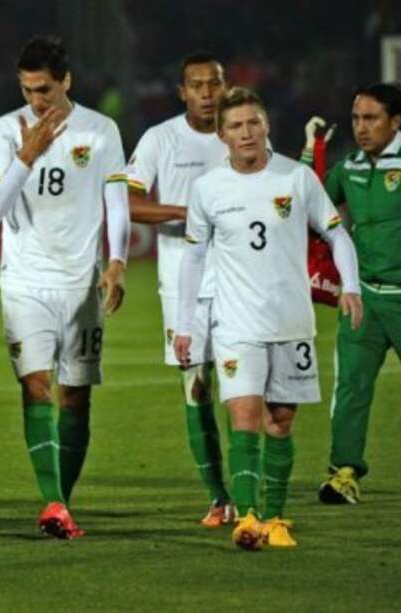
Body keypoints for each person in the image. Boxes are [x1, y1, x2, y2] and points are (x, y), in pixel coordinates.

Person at [173, 87, 362, 550]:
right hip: (236, 323)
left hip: (291, 322)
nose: (246, 133)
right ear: (222, 135)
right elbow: (193, 259)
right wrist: (183, 324)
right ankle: (248, 516)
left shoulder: (296, 178)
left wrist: (351, 286)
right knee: (245, 415)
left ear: (267, 125)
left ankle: (276, 517)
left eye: (253, 122)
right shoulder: (208, 189)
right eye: (236, 126)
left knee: (280, 421)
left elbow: (337, 235)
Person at [0, 35, 130, 539]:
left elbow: (118, 203)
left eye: (44, 89)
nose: (35, 101)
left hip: (81, 282)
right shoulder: (5, 131)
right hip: (24, 280)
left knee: (76, 397)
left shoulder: (101, 129)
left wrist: (118, 261)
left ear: (66, 81)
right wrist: (26, 154)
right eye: (27, 90)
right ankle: (54, 503)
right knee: (36, 385)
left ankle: (59, 502)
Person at [309, 83, 401, 504]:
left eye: (371, 118)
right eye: (356, 118)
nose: (360, 127)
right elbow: (307, 197)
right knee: (351, 386)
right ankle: (344, 472)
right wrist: (309, 150)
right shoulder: (351, 166)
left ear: (396, 121)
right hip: (365, 297)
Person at [126, 51, 235, 526]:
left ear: (226, 87)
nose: (207, 94)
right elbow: (126, 202)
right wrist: (184, 213)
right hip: (183, 288)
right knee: (198, 389)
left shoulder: (243, 135)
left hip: (240, 283)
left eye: (214, 84)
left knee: (249, 388)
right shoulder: (160, 139)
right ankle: (219, 496)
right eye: (197, 85)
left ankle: (254, 493)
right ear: (182, 92)